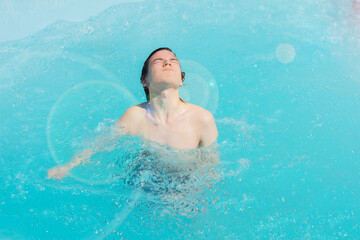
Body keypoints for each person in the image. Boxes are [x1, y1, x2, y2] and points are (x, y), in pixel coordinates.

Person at [47, 47, 219, 180]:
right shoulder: (135, 116)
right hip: (146, 183)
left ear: (181, 80)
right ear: (145, 80)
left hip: (186, 187)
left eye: (173, 61)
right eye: (158, 61)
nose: (168, 63)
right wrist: (68, 167)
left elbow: (211, 169)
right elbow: (99, 144)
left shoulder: (202, 119)